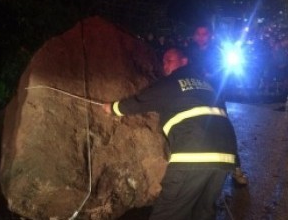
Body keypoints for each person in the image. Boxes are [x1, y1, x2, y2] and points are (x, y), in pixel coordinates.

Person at [102, 48, 238, 220]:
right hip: (226, 157)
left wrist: (113, 108)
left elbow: (142, 100)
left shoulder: (173, 82)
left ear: (184, 61)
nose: (165, 64)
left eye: (170, 60)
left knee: (167, 213)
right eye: (164, 61)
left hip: (194, 157)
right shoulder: (208, 86)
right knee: (203, 212)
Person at [186, 24, 248, 185]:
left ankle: (236, 169)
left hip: (215, 97)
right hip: (194, 97)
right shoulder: (188, 51)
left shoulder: (218, 53)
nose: (201, 37)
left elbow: (224, 73)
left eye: (204, 34)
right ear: (194, 36)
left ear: (210, 35)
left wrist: (211, 76)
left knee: (224, 130)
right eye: (198, 33)